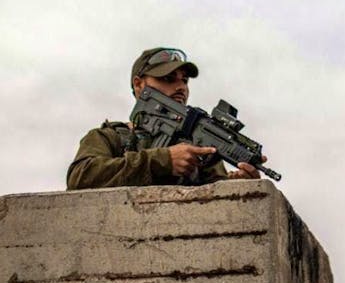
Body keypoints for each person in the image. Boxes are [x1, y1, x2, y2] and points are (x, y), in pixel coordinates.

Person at [66, 47, 264, 190]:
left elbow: (213, 198)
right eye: (168, 79)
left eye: (184, 81)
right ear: (139, 85)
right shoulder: (109, 137)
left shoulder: (198, 150)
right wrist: (164, 160)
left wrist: (238, 186)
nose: (181, 87)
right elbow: (80, 177)